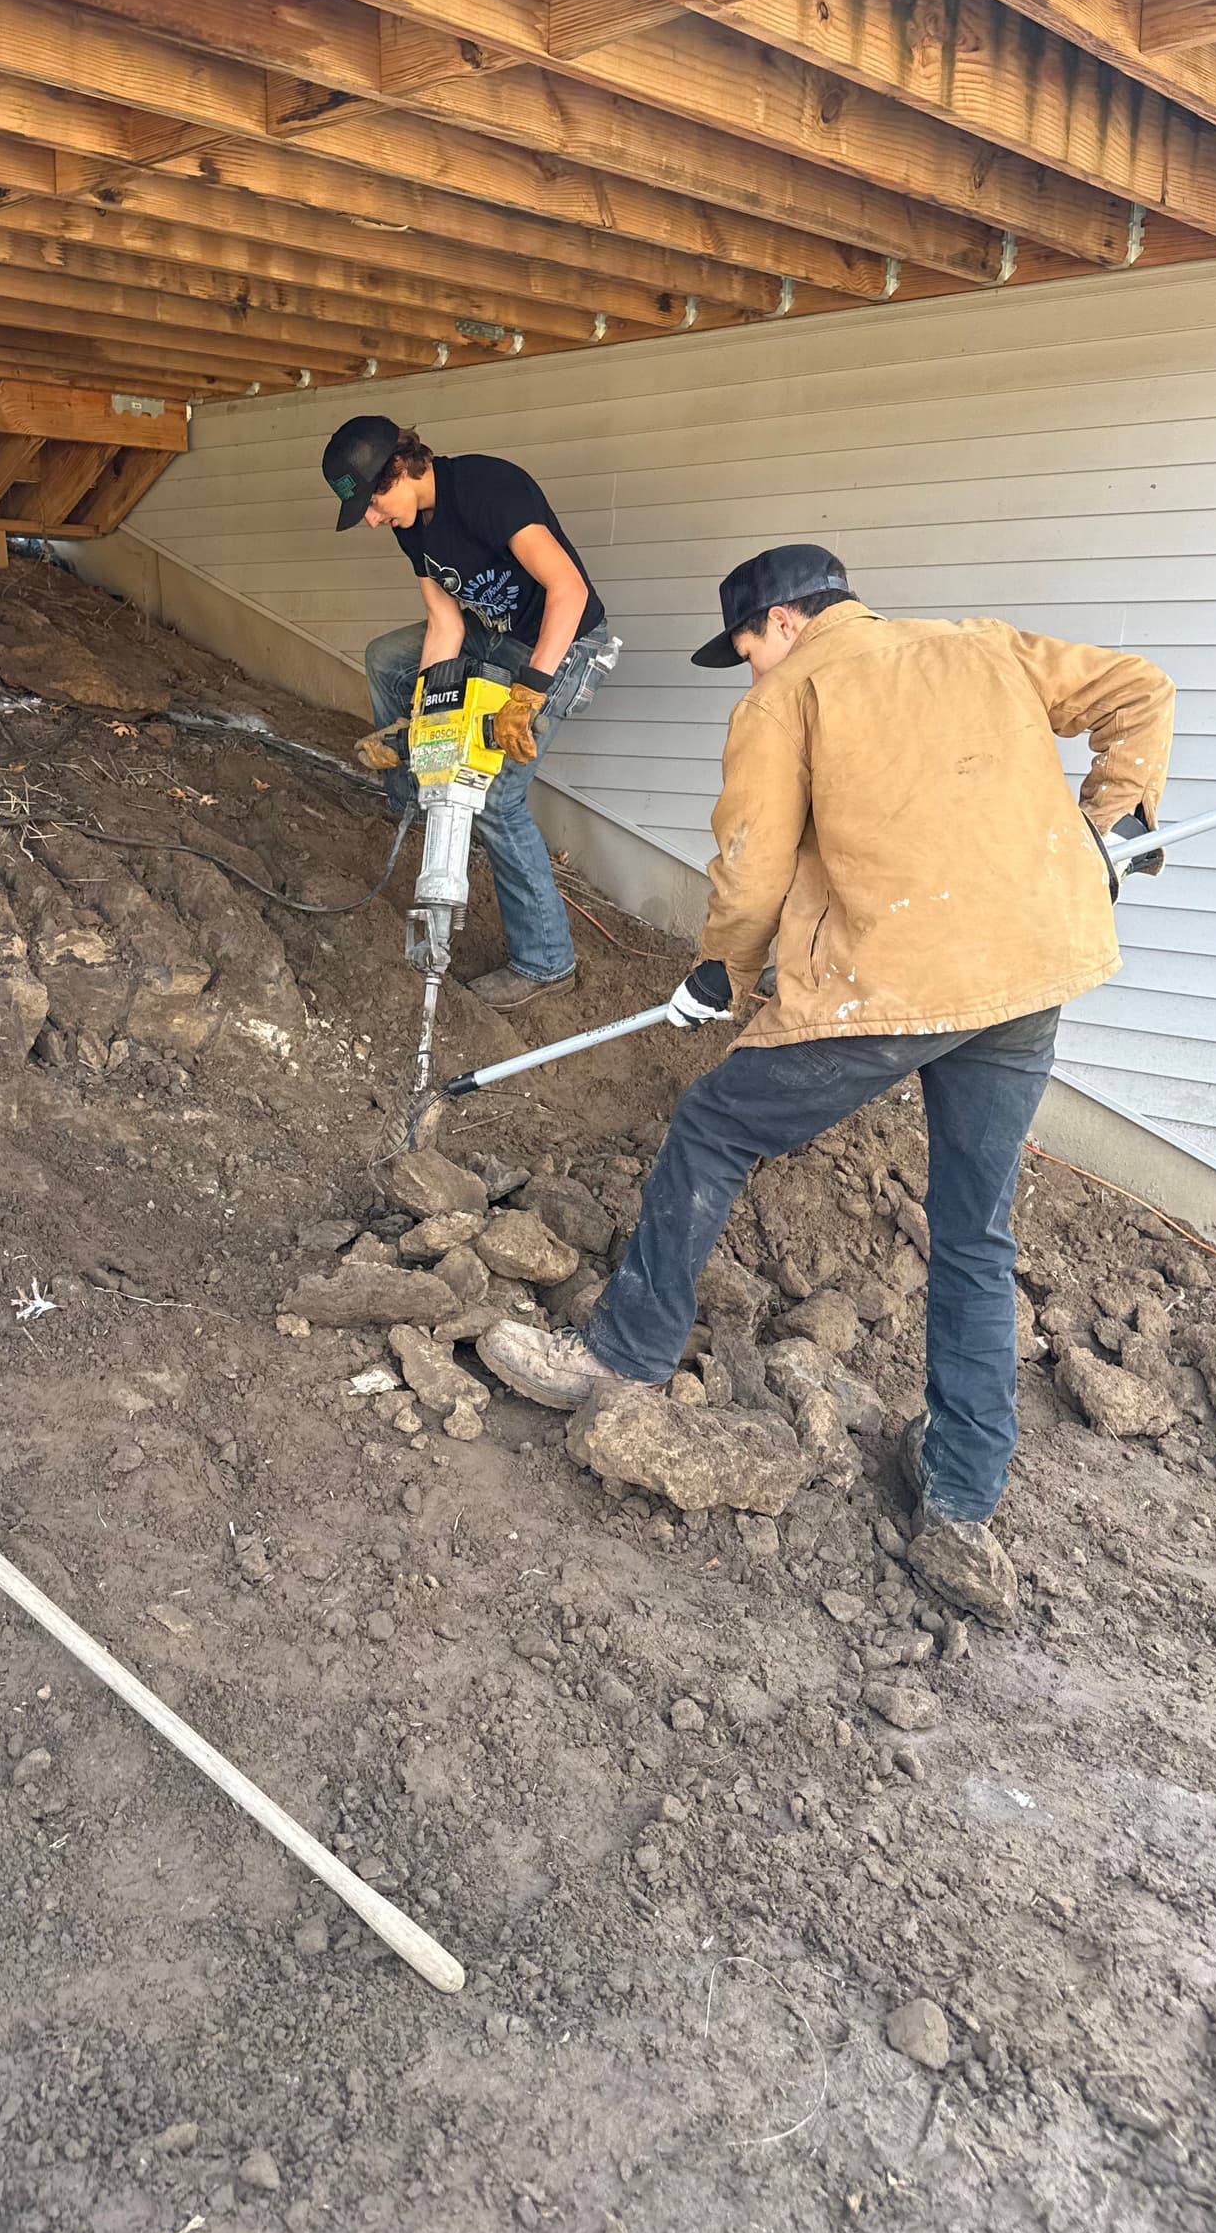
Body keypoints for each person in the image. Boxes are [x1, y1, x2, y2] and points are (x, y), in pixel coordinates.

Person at [480, 543, 1176, 1630]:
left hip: (893, 986)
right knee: (975, 1231)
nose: (749, 668)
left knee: (714, 1123)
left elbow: (752, 862)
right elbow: (1141, 688)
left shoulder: (791, 695)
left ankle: (620, 1358)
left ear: (785, 621)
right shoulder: (982, 646)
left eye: (746, 645)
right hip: (1029, 976)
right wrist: (1116, 818)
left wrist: (723, 971)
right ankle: (961, 1491)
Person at [321, 414, 616, 1011]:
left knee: (500, 799)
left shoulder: (488, 489)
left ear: (400, 468)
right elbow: (446, 624)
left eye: (375, 504)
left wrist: (528, 694)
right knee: (389, 659)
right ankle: (418, 795)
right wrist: (420, 721)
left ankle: (546, 961)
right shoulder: (413, 528)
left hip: (564, 643)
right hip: (493, 633)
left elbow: (570, 590)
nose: (374, 520)